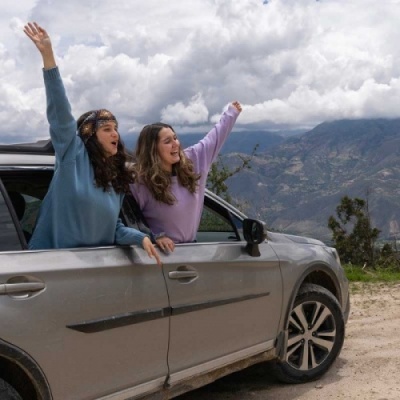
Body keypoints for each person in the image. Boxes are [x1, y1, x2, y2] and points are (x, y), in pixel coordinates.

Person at [24, 22, 161, 266]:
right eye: (107, 129)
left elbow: (113, 229)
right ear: (90, 135)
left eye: (116, 129)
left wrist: (141, 239)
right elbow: (60, 114)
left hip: (91, 272)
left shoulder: (115, 179)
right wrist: (48, 57)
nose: (115, 134)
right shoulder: (72, 154)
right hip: (49, 267)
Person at [130, 101, 242, 253]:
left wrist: (231, 112)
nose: (175, 144)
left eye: (175, 138)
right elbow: (129, 218)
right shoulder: (141, 182)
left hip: (190, 252)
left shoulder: (193, 161)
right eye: (167, 141)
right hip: (158, 256)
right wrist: (154, 236)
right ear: (152, 150)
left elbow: (214, 138)